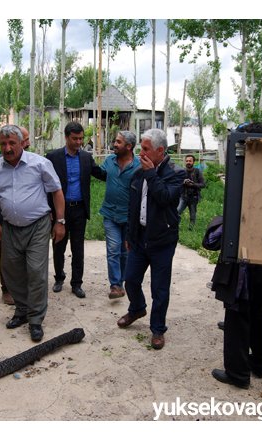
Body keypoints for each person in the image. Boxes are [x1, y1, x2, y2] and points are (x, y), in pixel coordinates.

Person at [0, 125, 66, 342]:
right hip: (10, 227)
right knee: (11, 271)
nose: (7, 148)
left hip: (38, 225)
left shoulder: (40, 164)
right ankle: (22, 310)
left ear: (22, 143)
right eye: (3, 144)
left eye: (12, 143)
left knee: (36, 271)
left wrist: (60, 221)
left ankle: (35, 319)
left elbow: (56, 191)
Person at [210, 121, 262, 389]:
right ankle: (259, 362)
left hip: (245, 256)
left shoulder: (245, 173)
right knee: (260, 310)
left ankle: (238, 373)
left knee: (237, 314)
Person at [115, 128, 185, 350]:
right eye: (141, 148)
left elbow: (165, 198)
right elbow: (132, 207)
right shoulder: (139, 173)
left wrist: (152, 174)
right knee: (130, 280)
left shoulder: (176, 173)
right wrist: (130, 235)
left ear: (160, 151)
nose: (141, 153)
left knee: (159, 289)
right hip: (139, 238)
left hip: (162, 240)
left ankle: (157, 329)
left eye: (145, 149)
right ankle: (137, 309)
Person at [46, 121, 106, 298]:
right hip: (60, 210)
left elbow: (100, 174)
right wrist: (48, 210)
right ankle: (59, 278)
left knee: (78, 248)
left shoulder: (86, 157)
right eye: (75, 139)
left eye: (81, 138)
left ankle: (77, 283)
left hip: (79, 209)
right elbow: (44, 183)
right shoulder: (53, 157)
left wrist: (120, 171)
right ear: (66, 137)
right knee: (58, 246)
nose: (79, 142)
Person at [0, 126, 31, 305]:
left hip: (28, 223)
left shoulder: (34, 163)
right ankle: (6, 289)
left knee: (27, 257)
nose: (27, 143)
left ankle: (23, 288)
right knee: (7, 257)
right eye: (4, 143)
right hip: (5, 222)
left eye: (27, 139)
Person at [99, 130, 139, 300]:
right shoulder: (109, 161)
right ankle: (115, 285)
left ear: (128, 146)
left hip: (130, 217)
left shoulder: (139, 166)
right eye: (115, 141)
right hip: (110, 214)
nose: (114, 144)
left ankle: (122, 282)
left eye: (118, 142)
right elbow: (100, 174)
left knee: (126, 251)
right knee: (113, 249)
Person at [176, 154, 206, 230]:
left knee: (192, 215)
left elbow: (203, 184)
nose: (188, 162)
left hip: (194, 197)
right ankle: (175, 227)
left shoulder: (197, 171)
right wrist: (183, 182)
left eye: (190, 161)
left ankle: (191, 229)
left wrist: (193, 184)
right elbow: (176, 183)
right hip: (183, 196)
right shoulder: (182, 171)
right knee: (177, 212)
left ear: (193, 162)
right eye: (187, 161)